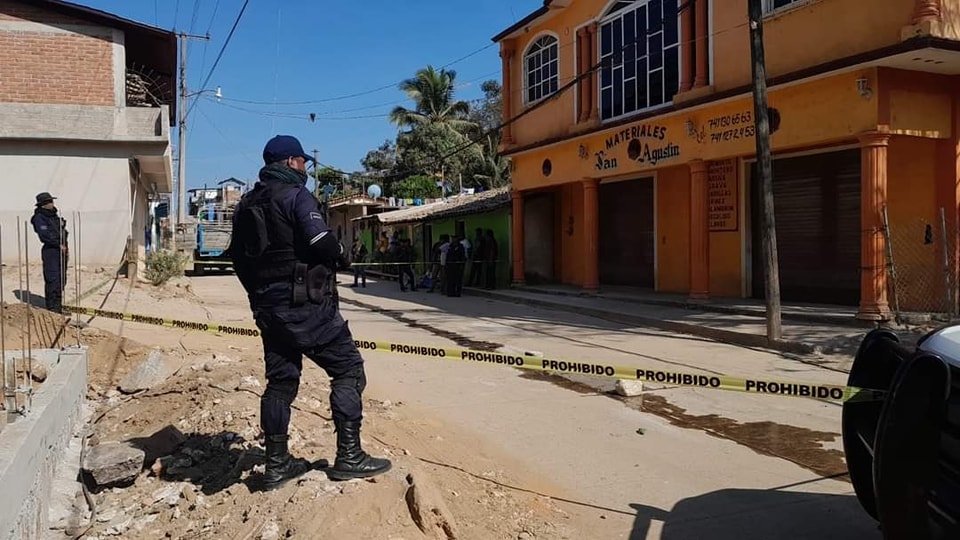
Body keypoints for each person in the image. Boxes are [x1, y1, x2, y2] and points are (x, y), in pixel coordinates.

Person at [228, 135, 391, 491]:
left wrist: (259, 296)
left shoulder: (246, 204)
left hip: (269, 310)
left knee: (280, 383)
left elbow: (237, 259)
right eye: (303, 162)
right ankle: (349, 456)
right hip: (306, 307)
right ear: (291, 162)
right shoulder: (296, 196)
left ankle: (277, 466)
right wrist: (341, 254)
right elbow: (319, 240)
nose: (305, 168)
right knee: (348, 369)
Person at [30, 192, 68, 313]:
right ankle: (52, 307)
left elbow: (60, 231)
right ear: (42, 205)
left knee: (61, 278)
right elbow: (44, 235)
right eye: (49, 202)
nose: (52, 204)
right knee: (53, 278)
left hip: (62, 249)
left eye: (51, 201)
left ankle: (58, 306)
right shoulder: (39, 218)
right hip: (51, 250)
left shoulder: (54, 215)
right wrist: (57, 244)